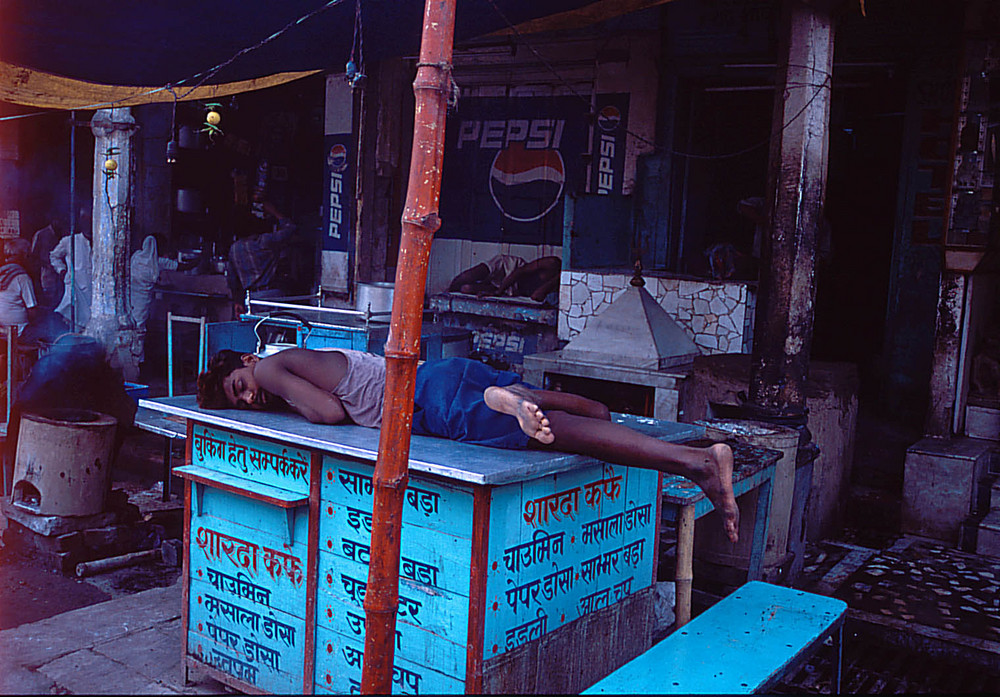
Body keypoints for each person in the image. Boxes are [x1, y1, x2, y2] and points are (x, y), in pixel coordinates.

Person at [196, 347, 739, 543]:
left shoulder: (268, 367)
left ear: (246, 362)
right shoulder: (292, 360)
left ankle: (693, 461)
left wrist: (273, 390)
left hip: (427, 403)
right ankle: (514, 397)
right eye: (239, 401)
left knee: (549, 435)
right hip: (441, 376)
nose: (248, 399)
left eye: (240, 389)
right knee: (569, 414)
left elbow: (329, 413)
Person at [226, 200, 297, 315]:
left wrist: (237, 301)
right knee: (276, 330)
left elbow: (233, 281)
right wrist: (275, 212)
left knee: (257, 330)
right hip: (272, 295)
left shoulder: (234, 249)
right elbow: (290, 229)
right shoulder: (264, 242)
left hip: (252, 298)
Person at [447, 254, 561, 302]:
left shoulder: (561, 286)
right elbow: (520, 271)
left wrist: (557, 279)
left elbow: (536, 295)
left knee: (466, 289)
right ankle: (447, 293)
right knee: (467, 276)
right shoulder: (552, 263)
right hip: (509, 269)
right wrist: (498, 291)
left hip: (512, 290)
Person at [50, 212, 92, 330]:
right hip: (76, 286)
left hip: (94, 289)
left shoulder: (101, 241)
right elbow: (54, 256)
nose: (88, 224)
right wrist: (62, 271)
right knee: (75, 322)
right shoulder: (69, 241)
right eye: (85, 220)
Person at [0, 239, 38, 336]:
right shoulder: (22, 277)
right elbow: (32, 310)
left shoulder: (2, 272)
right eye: (28, 255)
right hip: (19, 330)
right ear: (23, 256)